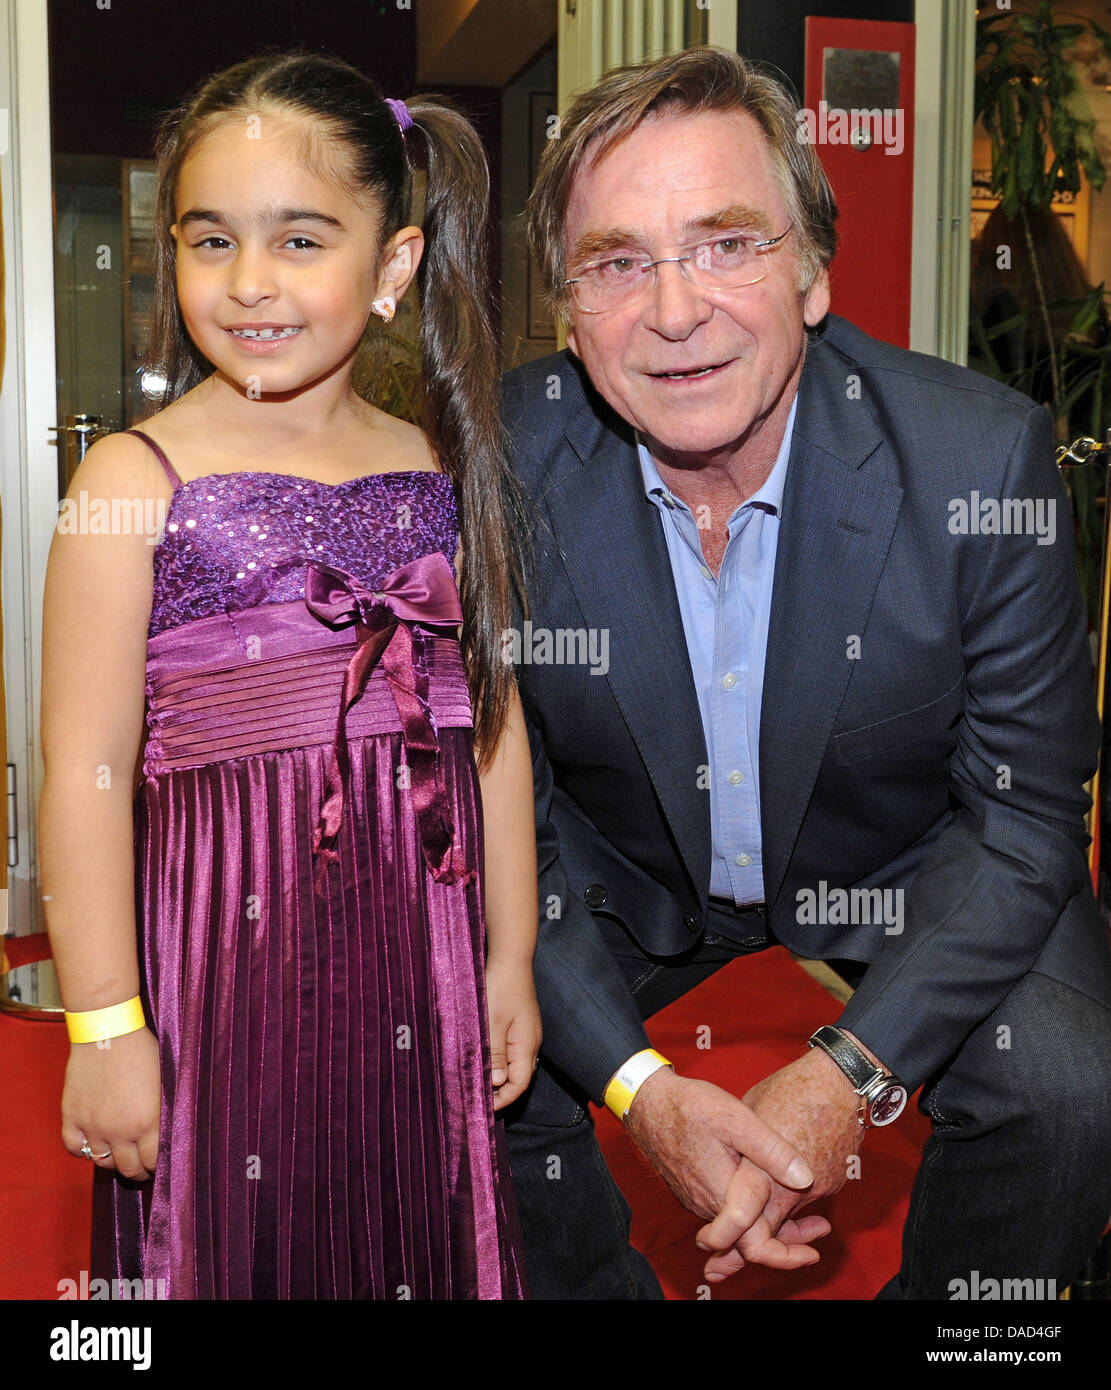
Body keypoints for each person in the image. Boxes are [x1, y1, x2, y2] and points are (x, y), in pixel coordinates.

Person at [501, 45, 1111, 1300]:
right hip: (626, 876)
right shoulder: (497, 473)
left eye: (727, 243)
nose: (672, 311)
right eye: (616, 262)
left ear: (814, 271)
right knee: (458, 1046)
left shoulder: (978, 467)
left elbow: (1024, 820)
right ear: (568, 307)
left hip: (902, 863)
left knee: (1068, 1083)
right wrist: (637, 1085)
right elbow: (510, 828)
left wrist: (852, 1069)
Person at [38, 50, 538, 1300]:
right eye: (210, 241)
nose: (250, 283)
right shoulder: (130, 483)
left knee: (409, 1227)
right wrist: (105, 1022)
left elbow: (494, 730)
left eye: (300, 240)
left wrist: (511, 955)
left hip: (417, 951)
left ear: (395, 269)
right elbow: (84, 773)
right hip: (223, 964)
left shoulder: (432, 461)